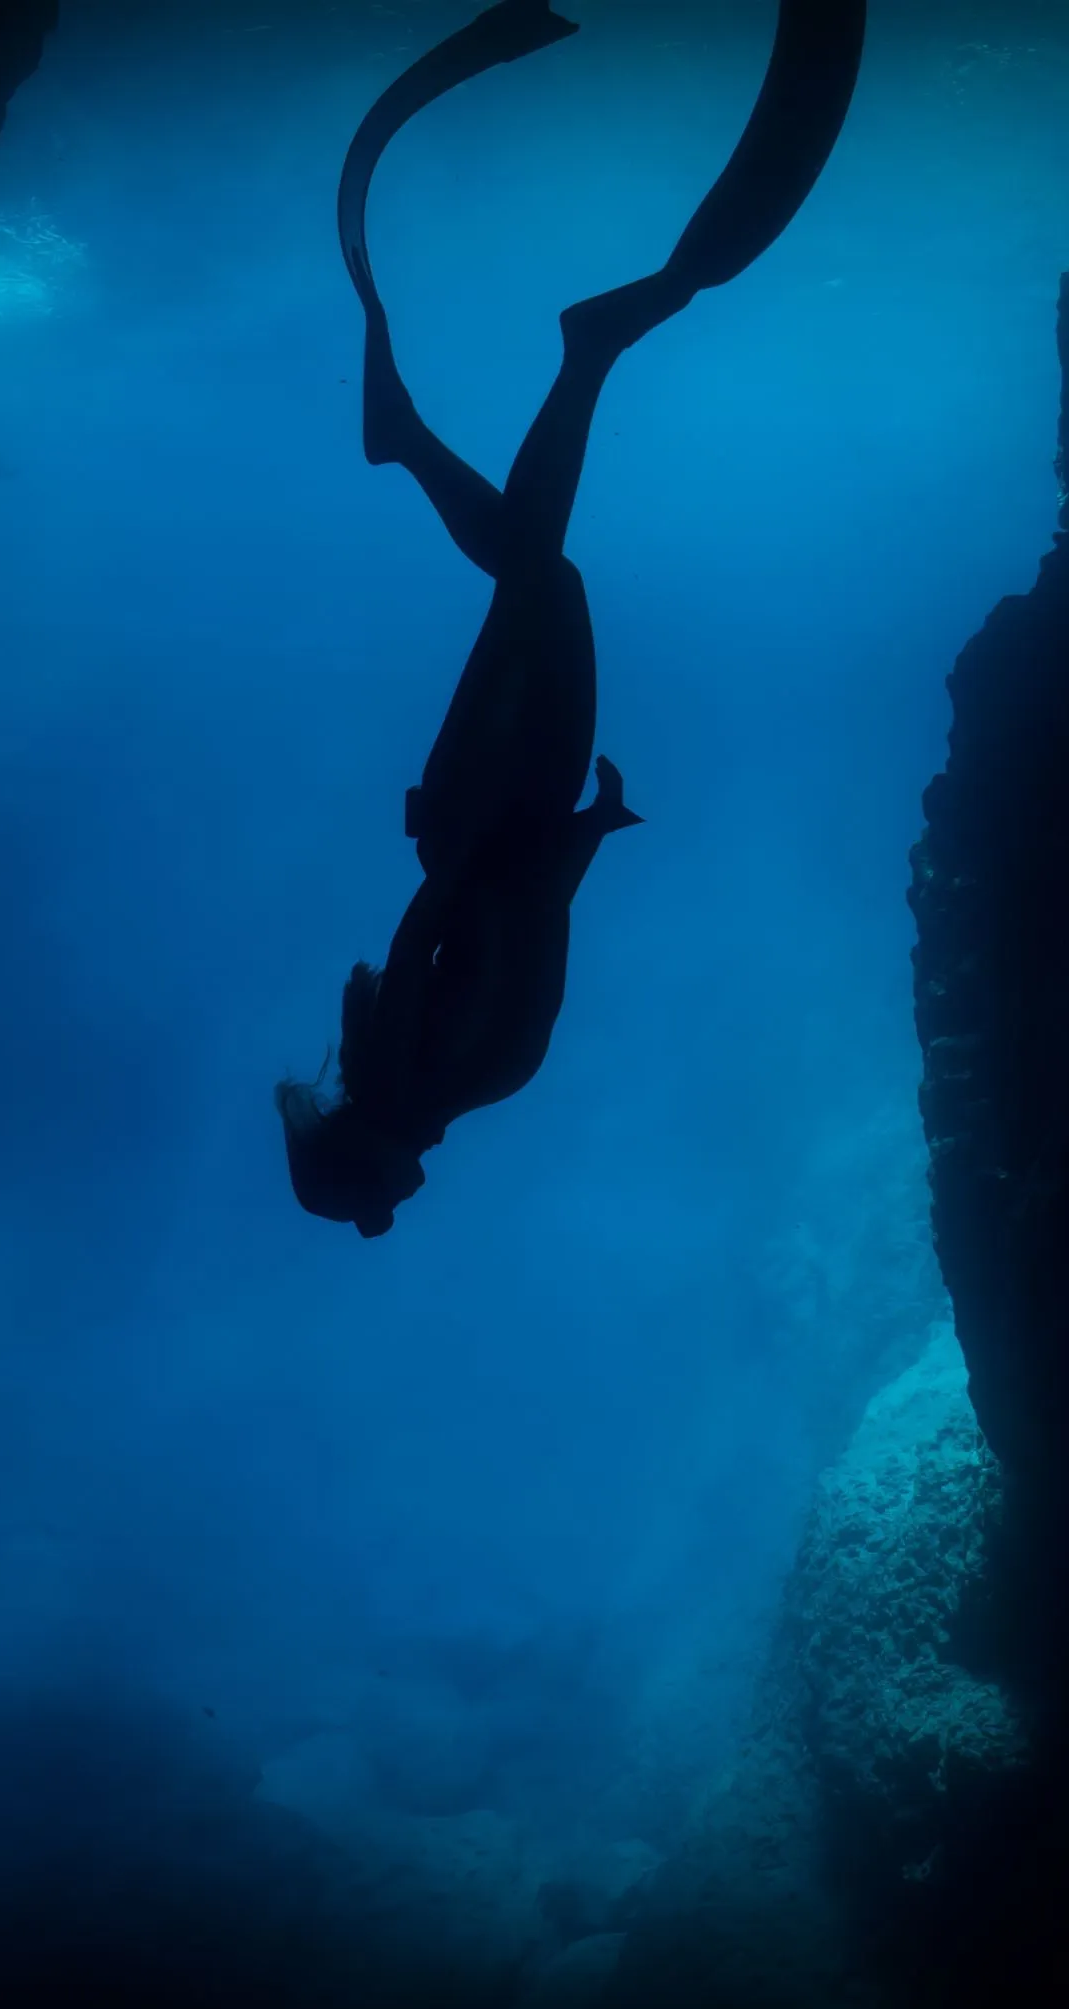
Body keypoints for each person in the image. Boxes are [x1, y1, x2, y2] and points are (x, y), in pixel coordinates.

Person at [281, 0, 868, 1238]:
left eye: (373, 1201)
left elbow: (459, 920)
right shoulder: (433, 1089)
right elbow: (507, 932)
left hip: (496, 803)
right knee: (540, 576)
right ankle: (464, 413)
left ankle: (571, 360)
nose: (401, 1203)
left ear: (364, 1163)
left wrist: (545, 840)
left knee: (542, 579)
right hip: (503, 809)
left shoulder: (415, 1078)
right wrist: (589, 833)